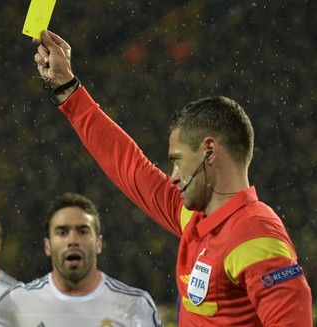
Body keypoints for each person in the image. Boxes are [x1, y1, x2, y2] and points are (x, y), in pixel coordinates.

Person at [32, 30, 312, 326]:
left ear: (209, 152)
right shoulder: (195, 218)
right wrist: (67, 88)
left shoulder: (255, 235)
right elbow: (128, 165)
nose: (174, 177)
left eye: (177, 161)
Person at [0, 192, 162, 327]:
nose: (73, 240)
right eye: (62, 232)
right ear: (48, 245)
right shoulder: (18, 302)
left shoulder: (135, 305)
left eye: (83, 231)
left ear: (98, 244)